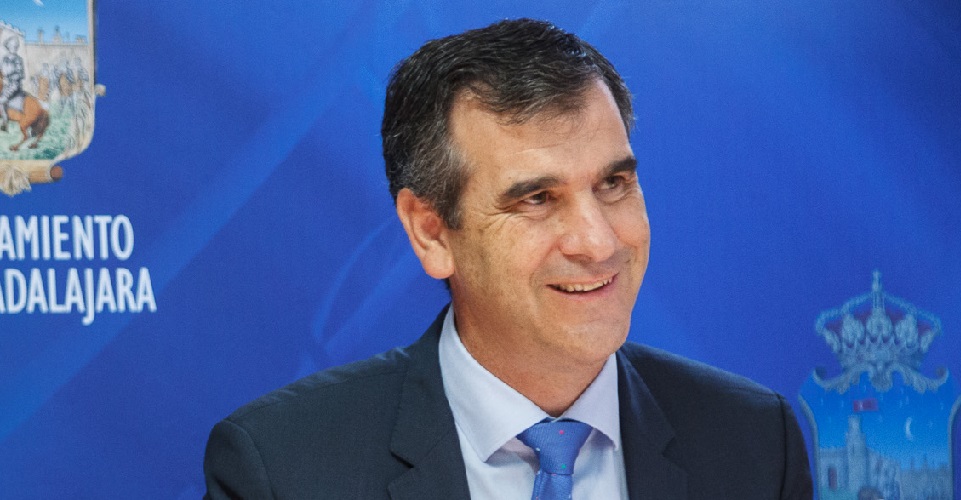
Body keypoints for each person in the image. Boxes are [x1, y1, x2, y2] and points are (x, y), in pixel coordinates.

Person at [204, 18, 813, 499]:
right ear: (431, 233)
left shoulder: (755, 442)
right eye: (537, 199)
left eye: (613, 184)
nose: (599, 242)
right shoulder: (283, 469)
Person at [0, 36, 25, 132]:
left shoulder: (18, 59)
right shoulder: (4, 59)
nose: (14, 48)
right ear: (8, 46)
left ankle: (5, 122)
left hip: (14, 84)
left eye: (15, 46)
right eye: (12, 46)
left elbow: (21, 74)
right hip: (5, 83)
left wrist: (9, 78)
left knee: (2, 99)